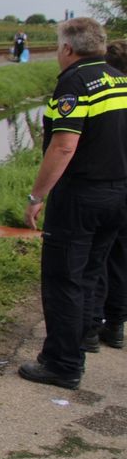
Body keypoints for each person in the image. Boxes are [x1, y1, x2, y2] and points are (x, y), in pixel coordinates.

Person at [19, 18, 127, 389]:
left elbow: (63, 145)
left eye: (56, 46)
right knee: (92, 272)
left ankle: (62, 364)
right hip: (119, 194)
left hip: (82, 196)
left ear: (68, 48)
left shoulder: (75, 82)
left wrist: (37, 196)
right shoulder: (119, 78)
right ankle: (81, 340)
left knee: (64, 278)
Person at [93, 40, 127, 349]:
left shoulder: (107, 100)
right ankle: (115, 325)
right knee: (120, 259)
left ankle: (89, 328)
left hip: (106, 187)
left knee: (94, 259)